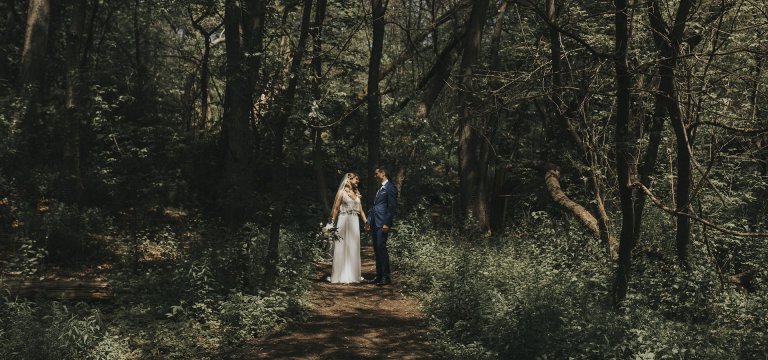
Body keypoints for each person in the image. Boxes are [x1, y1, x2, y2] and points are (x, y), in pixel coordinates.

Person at [328, 173, 367, 284]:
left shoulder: (357, 193)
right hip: (343, 219)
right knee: (342, 246)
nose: (358, 181)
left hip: (354, 221)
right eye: (356, 179)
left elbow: (361, 210)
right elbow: (336, 209)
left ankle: (353, 275)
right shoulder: (341, 193)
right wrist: (331, 223)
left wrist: (366, 222)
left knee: (353, 246)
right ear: (349, 179)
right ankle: (340, 274)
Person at [365, 166, 397, 286]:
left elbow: (391, 207)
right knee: (376, 249)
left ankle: (386, 277)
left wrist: (387, 223)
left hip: (383, 223)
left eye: (376, 174)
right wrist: (368, 221)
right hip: (374, 222)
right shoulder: (379, 189)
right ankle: (379, 276)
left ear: (383, 173)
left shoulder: (391, 187)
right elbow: (374, 207)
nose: (375, 176)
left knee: (381, 248)